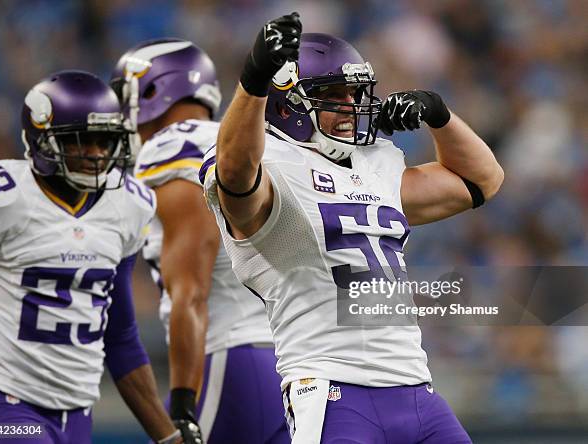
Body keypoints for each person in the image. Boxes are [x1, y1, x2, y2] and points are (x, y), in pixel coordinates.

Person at [201, 12, 504, 443]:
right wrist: (254, 78)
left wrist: (440, 114)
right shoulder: (271, 168)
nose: (349, 105)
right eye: (333, 94)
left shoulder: (375, 165)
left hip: (416, 387)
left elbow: (483, 181)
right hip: (332, 390)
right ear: (288, 104)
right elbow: (235, 172)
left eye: (354, 93)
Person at [0, 70, 181, 444]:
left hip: (78, 413)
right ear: (41, 139)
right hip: (2, 401)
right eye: (81, 142)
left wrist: (168, 436)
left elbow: (120, 335)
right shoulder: (0, 198)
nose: (96, 154)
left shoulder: (127, 206)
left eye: (104, 142)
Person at [110, 39, 288, 443]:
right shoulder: (249, 142)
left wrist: (183, 401)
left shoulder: (172, 150)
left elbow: (191, 290)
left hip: (230, 357)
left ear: (152, 91)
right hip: (292, 356)